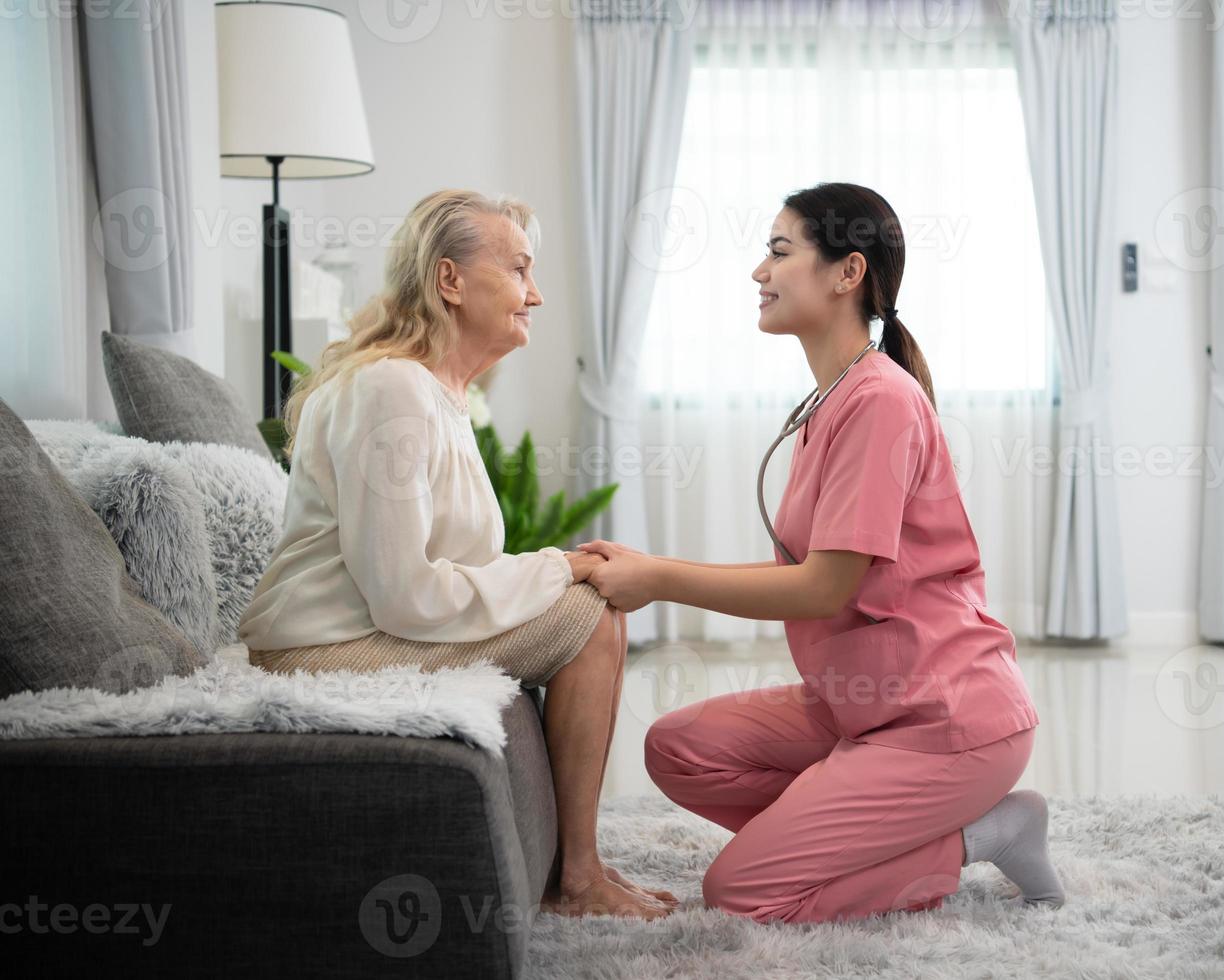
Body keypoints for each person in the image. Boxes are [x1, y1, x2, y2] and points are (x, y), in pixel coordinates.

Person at [579, 182, 1064, 924]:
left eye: (778, 251)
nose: (757, 272)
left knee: (740, 892)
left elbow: (822, 589)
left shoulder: (877, 401)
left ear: (847, 273)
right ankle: (848, 833)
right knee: (678, 748)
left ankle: (981, 833)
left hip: (942, 719)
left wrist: (658, 578)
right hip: (862, 705)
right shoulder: (833, 399)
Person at [237, 189, 677, 921]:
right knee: (590, 618)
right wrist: (555, 567)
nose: (534, 294)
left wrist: (552, 566)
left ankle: (581, 867)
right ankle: (578, 879)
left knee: (589, 606)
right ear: (449, 281)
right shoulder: (390, 391)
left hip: (357, 633)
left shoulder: (434, 391)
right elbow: (405, 595)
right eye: (517, 270)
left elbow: (442, 571)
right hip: (317, 649)